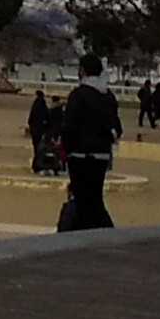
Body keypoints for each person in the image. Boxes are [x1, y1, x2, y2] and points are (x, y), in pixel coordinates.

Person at [61, 52, 123, 231]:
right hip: (101, 155)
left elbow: (69, 127)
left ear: (82, 71)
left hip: (79, 155)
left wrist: (66, 149)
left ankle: (95, 233)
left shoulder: (78, 95)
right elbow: (117, 128)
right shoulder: (108, 96)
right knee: (95, 197)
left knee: (82, 199)